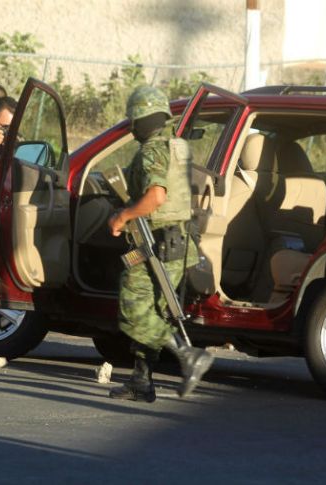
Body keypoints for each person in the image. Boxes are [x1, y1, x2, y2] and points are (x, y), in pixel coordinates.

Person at [106, 86, 214, 403]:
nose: (130, 126)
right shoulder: (177, 146)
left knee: (133, 309)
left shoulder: (152, 150)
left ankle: (187, 355)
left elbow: (157, 196)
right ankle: (141, 381)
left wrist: (123, 216)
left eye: (132, 120)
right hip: (179, 244)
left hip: (157, 243)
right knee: (156, 311)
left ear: (140, 118)